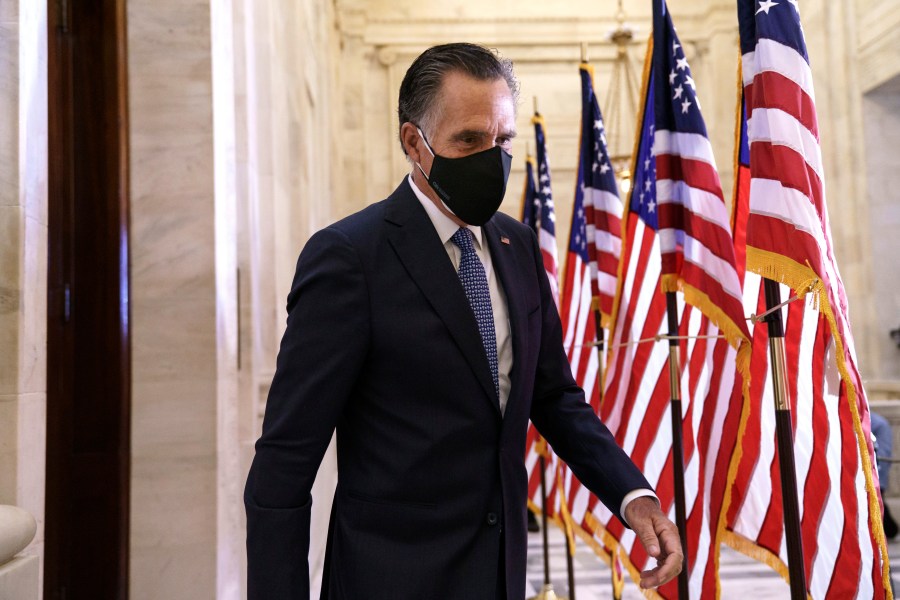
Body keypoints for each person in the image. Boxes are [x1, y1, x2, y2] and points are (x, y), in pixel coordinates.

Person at [244, 42, 682, 600]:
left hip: (498, 577)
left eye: (502, 141)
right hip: (390, 580)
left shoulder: (517, 244)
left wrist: (632, 496)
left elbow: (554, 396)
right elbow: (286, 458)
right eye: (469, 140)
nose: (491, 157)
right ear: (413, 142)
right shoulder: (349, 257)